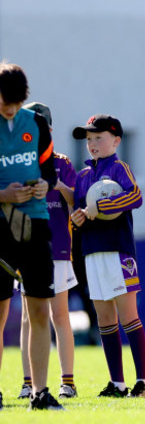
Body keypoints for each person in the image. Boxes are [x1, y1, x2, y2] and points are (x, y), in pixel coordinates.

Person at [70, 114, 145, 398]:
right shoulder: (82, 177)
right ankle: (117, 383)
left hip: (119, 252)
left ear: (117, 140)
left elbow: (136, 196)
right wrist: (78, 219)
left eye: (99, 138)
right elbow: (80, 215)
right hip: (92, 253)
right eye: (89, 139)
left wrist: (101, 205)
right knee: (105, 320)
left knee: (129, 316)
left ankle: (144, 382)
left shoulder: (120, 167)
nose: (92, 144)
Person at [0, 62, 63, 410]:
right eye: (2, 101)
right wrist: (3, 195)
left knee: (40, 311)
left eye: (13, 102)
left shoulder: (36, 122)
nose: (8, 108)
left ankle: (40, 394)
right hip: (0, 226)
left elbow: (49, 171)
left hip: (35, 225)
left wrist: (44, 185)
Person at [17, 102, 78, 400]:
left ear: (48, 130)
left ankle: (68, 382)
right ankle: (28, 383)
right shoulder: (17, 161)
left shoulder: (63, 162)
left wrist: (57, 184)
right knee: (29, 318)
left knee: (60, 315)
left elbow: (75, 199)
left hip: (59, 250)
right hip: (25, 246)